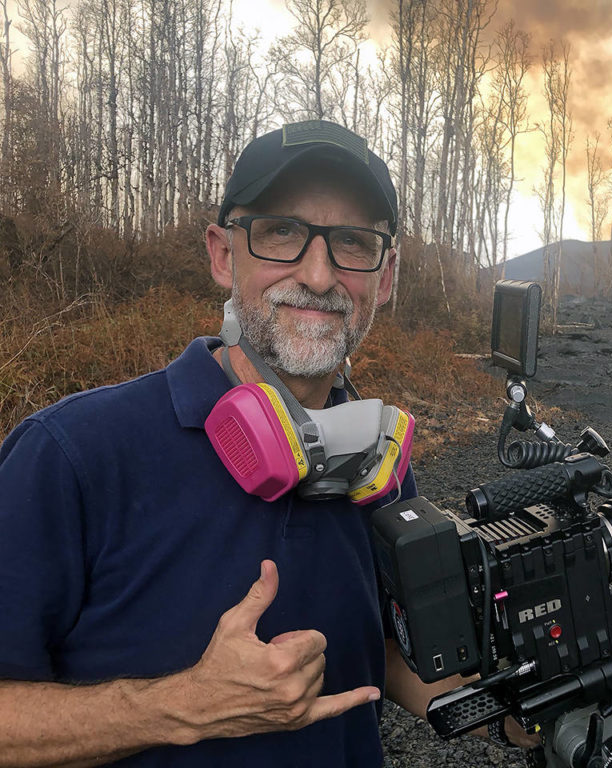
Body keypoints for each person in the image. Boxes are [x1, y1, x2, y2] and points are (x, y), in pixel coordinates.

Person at [0, 120, 483, 767]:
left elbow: (390, 652)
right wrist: (184, 705)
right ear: (224, 253)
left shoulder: (376, 462)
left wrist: (525, 706)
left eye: (353, 242)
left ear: (385, 275)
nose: (318, 275)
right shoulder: (70, 454)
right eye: (282, 232)